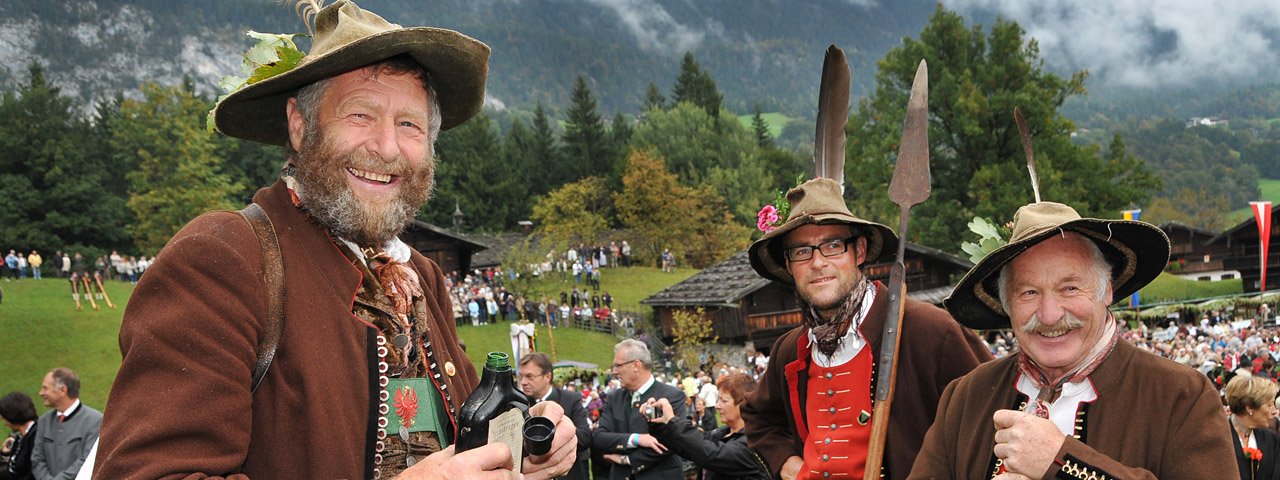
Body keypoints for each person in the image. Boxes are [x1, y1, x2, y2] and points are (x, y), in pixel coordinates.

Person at [94, 2, 577, 478]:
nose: (386, 148)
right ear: (301, 127)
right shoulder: (225, 257)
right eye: (360, 115)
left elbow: (449, 440)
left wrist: (519, 445)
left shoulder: (421, 276)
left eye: (409, 124)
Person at [910, 201, 1235, 479]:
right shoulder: (965, 397)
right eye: (1029, 293)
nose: (1050, 315)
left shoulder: (1182, 396)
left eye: (1070, 288)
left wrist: (1063, 461)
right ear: (1006, 304)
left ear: (1106, 289)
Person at [741, 178, 991, 480]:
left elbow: (990, 421)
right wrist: (787, 464)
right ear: (789, 264)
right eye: (802, 251)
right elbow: (758, 416)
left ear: (859, 251)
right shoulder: (790, 349)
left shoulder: (932, 332)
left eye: (833, 245)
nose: (817, 262)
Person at [645, 373, 770, 480]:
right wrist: (658, 423)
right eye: (718, 399)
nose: (717, 406)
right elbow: (689, 446)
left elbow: (708, 453)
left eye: (724, 401)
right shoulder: (723, 433)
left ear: (743, 405)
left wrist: (672, 421)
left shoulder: (752, 443)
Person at [593, 339, 687, 479]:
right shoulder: (614, 397)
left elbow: (672, 442)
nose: (614, 372)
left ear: (636, 365)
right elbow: (599, 437)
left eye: (618, 365)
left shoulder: (671, 396)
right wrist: (636, 439)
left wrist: (628, 460)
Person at [518, 352, 591, 480]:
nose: (523, 382)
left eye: (530, 376)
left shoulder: (571, 399)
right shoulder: (518, 404)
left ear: (547, 377)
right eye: (521, 376)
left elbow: (585, 437)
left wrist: (548, 436)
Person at [32, 368, 101, 479]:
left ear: (63, 390)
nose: (41, 393)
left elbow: (88, 460)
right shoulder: (44, 421)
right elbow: (37, 459)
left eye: (45, 388)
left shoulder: (95, 420)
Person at [1226, 373, 1280, 480]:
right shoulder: (1220, 437)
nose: (1274, 411)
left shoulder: (1270, 439)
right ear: (1249, 408)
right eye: (1269, 405)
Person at [1, 391, 38, 480]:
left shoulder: (36, 437)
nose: (2, 419)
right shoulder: (21, 436)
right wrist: (4, 454)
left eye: (3, 416)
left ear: (12, 416)